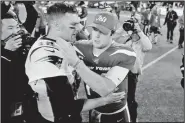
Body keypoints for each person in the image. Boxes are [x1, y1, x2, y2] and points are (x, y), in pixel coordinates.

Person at [25, 3, 125, 123]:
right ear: (56, 25)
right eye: (73, 25)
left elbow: (96, 47)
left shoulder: (61, 43)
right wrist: (105, 100)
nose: (78, 28)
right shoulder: (45, 56)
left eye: (78, 23)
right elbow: (67, 107)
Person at [58, 12, 137, 123]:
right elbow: (56, 40)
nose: (97, 35)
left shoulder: (124, 53)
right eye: (95, 29)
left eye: (103, 32)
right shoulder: (81, 47)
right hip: (94, 110)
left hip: (117, 113)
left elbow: (105, 89)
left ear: (112, 33)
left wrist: (77, 64)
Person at [112, 15, 152, 123]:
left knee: (130, 99)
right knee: (119, 98)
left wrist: (139, 31)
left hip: (132, 74)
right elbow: (112, 40)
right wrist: (122, 28)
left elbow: (148, 46)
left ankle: (133, 119)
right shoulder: (126, 40)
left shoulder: (142, 42)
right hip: (120, 72)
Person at [1, 12, 36, 123]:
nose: (15, 32)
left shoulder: (22, 48)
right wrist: (6, 53)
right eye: (10, 28)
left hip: (23, 105)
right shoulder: (5, 53)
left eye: (16, 27)